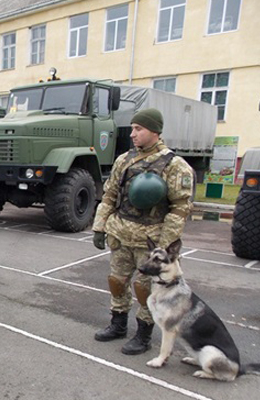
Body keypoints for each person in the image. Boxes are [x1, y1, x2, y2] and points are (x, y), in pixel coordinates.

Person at [92, 108, 194, 355]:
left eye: (139, 129)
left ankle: (144, 334)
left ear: (155, 131)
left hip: (151, 242)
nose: (132, 134)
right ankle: (117, 324)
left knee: (146, 288)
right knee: (117, 281)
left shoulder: (175, 166)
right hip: (120, 234)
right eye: (133, 128)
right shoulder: (124, 160)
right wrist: (99, 226)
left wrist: (164, 247)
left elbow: (180, 208)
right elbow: (110, 195)